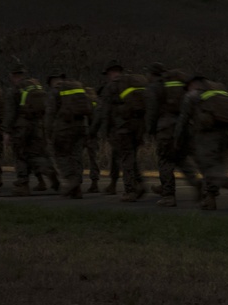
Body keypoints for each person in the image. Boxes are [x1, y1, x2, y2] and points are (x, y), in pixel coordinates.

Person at [175, 75, 228, 210]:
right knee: (215, 166)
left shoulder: (192, 96)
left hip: (207, 137)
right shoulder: (219, 91)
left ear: (193, 84)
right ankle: (210, 200)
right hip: (224, 135)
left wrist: (177, 140)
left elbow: (183, 121)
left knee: (209, 168)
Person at [146, 64, 202, 207]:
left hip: (166, 128)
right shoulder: (179, 83)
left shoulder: (157, 86)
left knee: (165, 160)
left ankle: (168, 195)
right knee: (181, 158)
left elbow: (152, 111)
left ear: (154, 74)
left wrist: (150, 130)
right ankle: (197, 184)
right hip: (184, 126)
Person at [3, 65, 58, 196]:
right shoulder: (37, 86)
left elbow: (10, 113)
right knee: (37, 153)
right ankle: (49, 170)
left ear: (13, 76)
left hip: (21, 127)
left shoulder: (14, 90)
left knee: (21, 154)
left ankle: (23, 184)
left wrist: (6, 131)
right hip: (38, 125)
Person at [99, 59, 148, 202]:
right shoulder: (134, 82)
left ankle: (130, 190)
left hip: (122, 128)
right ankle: (139, 184)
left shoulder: (112, 86)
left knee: (126, 158)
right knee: (131, 157)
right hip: (139, 126)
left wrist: (105, 130)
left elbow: (106, 111)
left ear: (111, 72)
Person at [45, 71, 90, 199]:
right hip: (81, 127)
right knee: (76, 156)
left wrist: (48, 134)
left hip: (64, 129)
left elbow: (50, 114)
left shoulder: (55, 92)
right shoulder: (77, 88)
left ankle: (71, 181)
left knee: (61, 155)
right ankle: (77, 188)